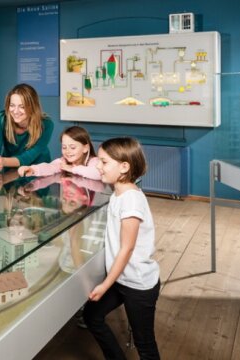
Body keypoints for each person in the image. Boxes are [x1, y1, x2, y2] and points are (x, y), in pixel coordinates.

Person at [83, 137, 161, 360]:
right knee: (92, 316)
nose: (98, 165)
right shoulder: (117, 193)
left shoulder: (131, 201)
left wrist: (105, 285)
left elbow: (126, 249)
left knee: (145, 345)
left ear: (124, 167)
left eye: (104, 162)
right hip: (120, 279)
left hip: (138, 285)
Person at [0, 83, 54, 172]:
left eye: (22, 107)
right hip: (11, 170)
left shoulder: (46, 124)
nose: (15, 111)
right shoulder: (1, 120)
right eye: (12, 105)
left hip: (37, 171)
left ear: (32, 107)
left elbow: (27, 158)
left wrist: (3, 161)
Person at [18, 126, 100, 180]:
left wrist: (72, 169)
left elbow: (97, 174)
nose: (67, 151)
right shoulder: (63, 161)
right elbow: (50, 167)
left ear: (85, 148)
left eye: (72, 147)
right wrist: (32, 169)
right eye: (64, 147)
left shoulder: (94, 161)